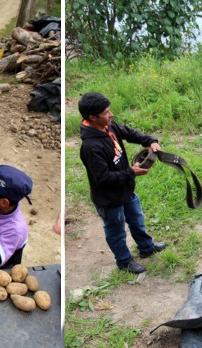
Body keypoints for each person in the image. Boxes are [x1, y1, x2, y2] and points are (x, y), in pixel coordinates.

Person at [78, 92, 167, 274]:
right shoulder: (90, 147)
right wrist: (131, 172)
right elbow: (103, 178)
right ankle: (124, 262)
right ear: (93, 117)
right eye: (106, 112)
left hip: (126, 191)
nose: (111, 115)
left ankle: (146, 247)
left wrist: (151, 141)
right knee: (116, 232)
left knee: (137, 221)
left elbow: (129, 133)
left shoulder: (108, 127)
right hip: (109, 200)